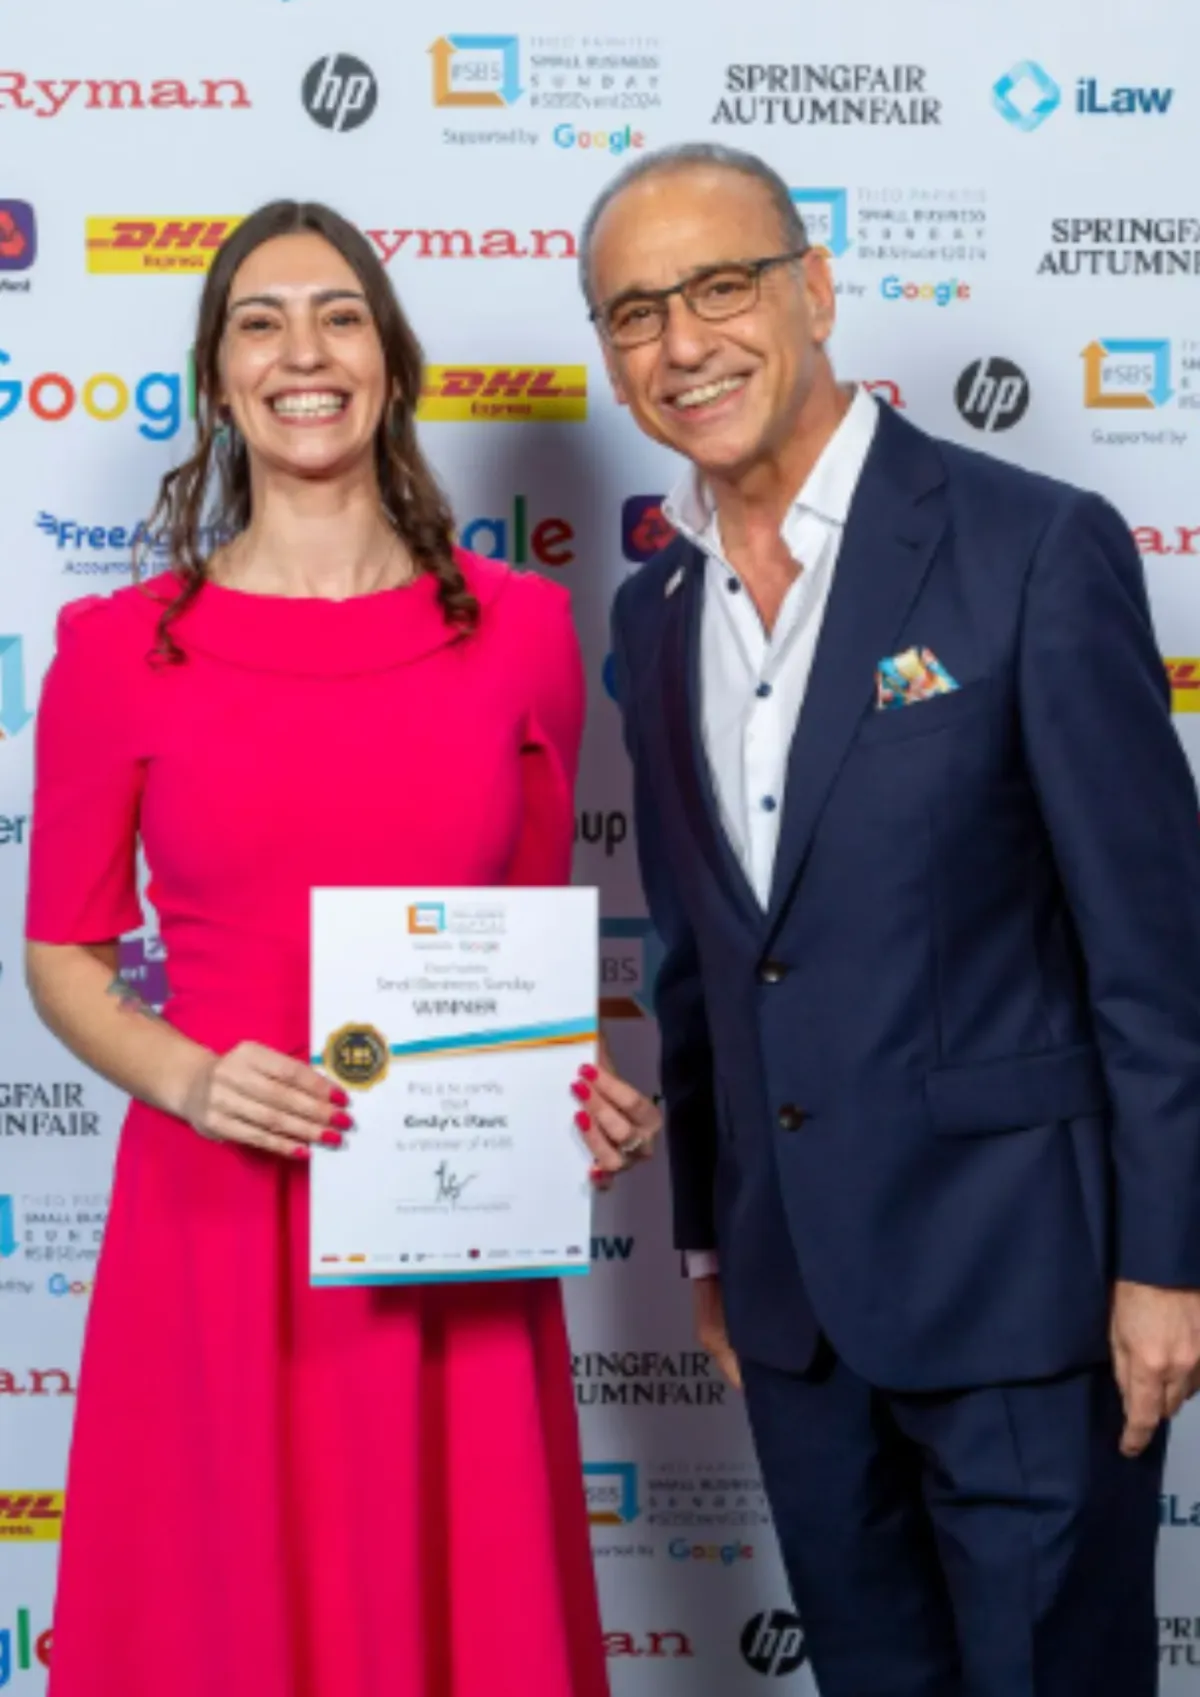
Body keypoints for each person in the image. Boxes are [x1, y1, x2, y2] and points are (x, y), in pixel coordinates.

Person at [585, 141, 1200, 1697]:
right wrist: (711, 1245)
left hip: (1027, 1296)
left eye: (720, 286)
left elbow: (1156, 958)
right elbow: (703, 960)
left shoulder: (1030, 546)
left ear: (813, 287)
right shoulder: (651, 614)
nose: (683, 341)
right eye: (637, 312)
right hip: (794, 1315)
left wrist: (1170, 1266)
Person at [25, 199, 660, 1697]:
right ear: (218, 376)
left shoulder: (523, 632)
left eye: (339, 317)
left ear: (391, 361)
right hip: (217, 1219)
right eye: (260, 322)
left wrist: (575, 1091)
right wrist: (189, 1080)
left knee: (456, 1610)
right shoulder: (118, 649)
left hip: (446, 1227)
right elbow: (62, 954)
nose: (302, 353)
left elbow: (521, 946)